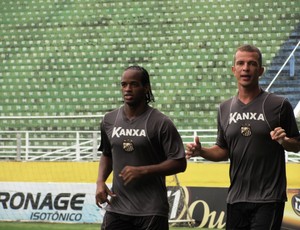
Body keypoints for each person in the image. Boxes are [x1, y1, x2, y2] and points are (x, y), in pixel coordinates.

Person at [186, 44, 300, 230]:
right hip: (236, 198)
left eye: (252, 63)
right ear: (234, 70)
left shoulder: (279, 105)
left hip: (268, 199)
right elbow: (223, 150)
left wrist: (284, 141)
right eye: (240, 63)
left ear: (261, 70)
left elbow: (296, 145)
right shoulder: (224, 108)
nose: (246, 68)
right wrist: (201, 151)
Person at [95, 65, 187, 230]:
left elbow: (179, 162)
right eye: (124, 84)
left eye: (134, 84)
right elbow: (107, 154)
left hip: (151, 211)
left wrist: (143, 170)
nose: (127, 89)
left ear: (146, 88)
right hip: (117, 207)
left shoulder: (161, 122)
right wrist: (100, 181)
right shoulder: (109, 120)